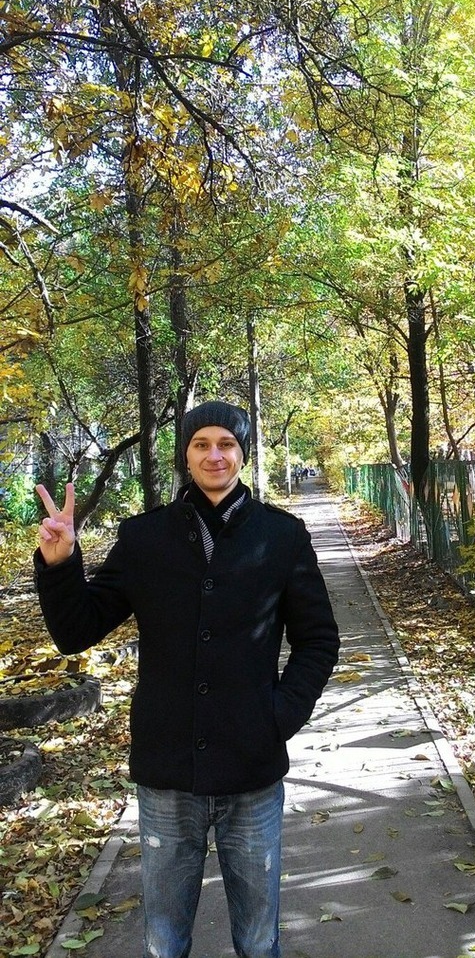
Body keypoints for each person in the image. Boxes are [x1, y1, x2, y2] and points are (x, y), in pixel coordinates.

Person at [34, 400, 340, 958]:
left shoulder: (282, 537)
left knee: (258, 939)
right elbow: (77, 631)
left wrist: (279, 716)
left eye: (226, 444)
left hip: (252, 767)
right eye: (201, 444)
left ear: (242, 453)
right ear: (185, 454)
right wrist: (60, 564)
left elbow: (318, 640)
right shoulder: (145, 538)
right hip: (167, 769)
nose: (214, 455)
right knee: (165, 939)